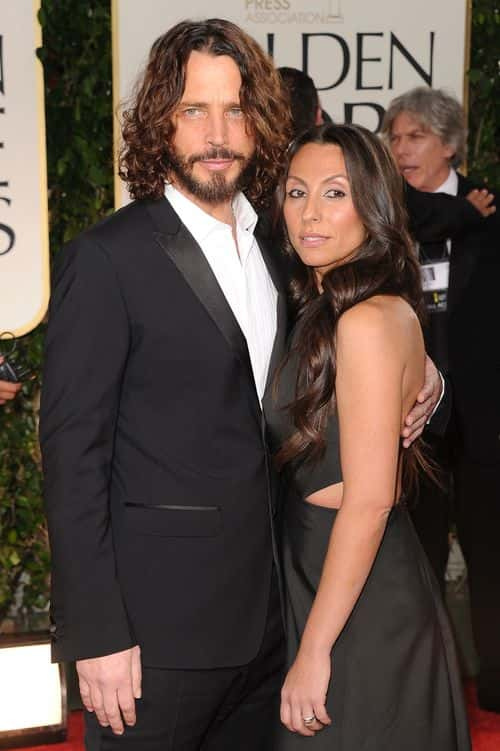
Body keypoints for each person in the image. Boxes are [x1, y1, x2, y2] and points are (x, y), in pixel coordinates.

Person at [40, 19, 443, 750]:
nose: (217, 132)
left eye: (234, 110)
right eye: (194, 109)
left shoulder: (282, 246)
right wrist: (96, 630)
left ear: (260, 125)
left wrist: (429, 378)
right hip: (152, 643)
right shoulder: (106, 259)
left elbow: (359, 327)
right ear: (161, 123)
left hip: (272, 623)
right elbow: (72, 456)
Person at [263, 123, 471, 749]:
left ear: (373, 203)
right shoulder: (322, 310)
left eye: (334, 193)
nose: (310, 215)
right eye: (297, 194)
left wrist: (315, 649)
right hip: (318, 570)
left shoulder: (365, 318)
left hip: (361, 594)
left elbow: (371, 496)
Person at [383, 87, 500, 713]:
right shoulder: (387, 216)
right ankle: (426, 689)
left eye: (415, 136)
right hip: (411, 420)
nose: (401, 148)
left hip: (487, 417)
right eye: (395, 137)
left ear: (449, 144)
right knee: (416, 556)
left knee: (492, 553)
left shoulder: (491, 207)